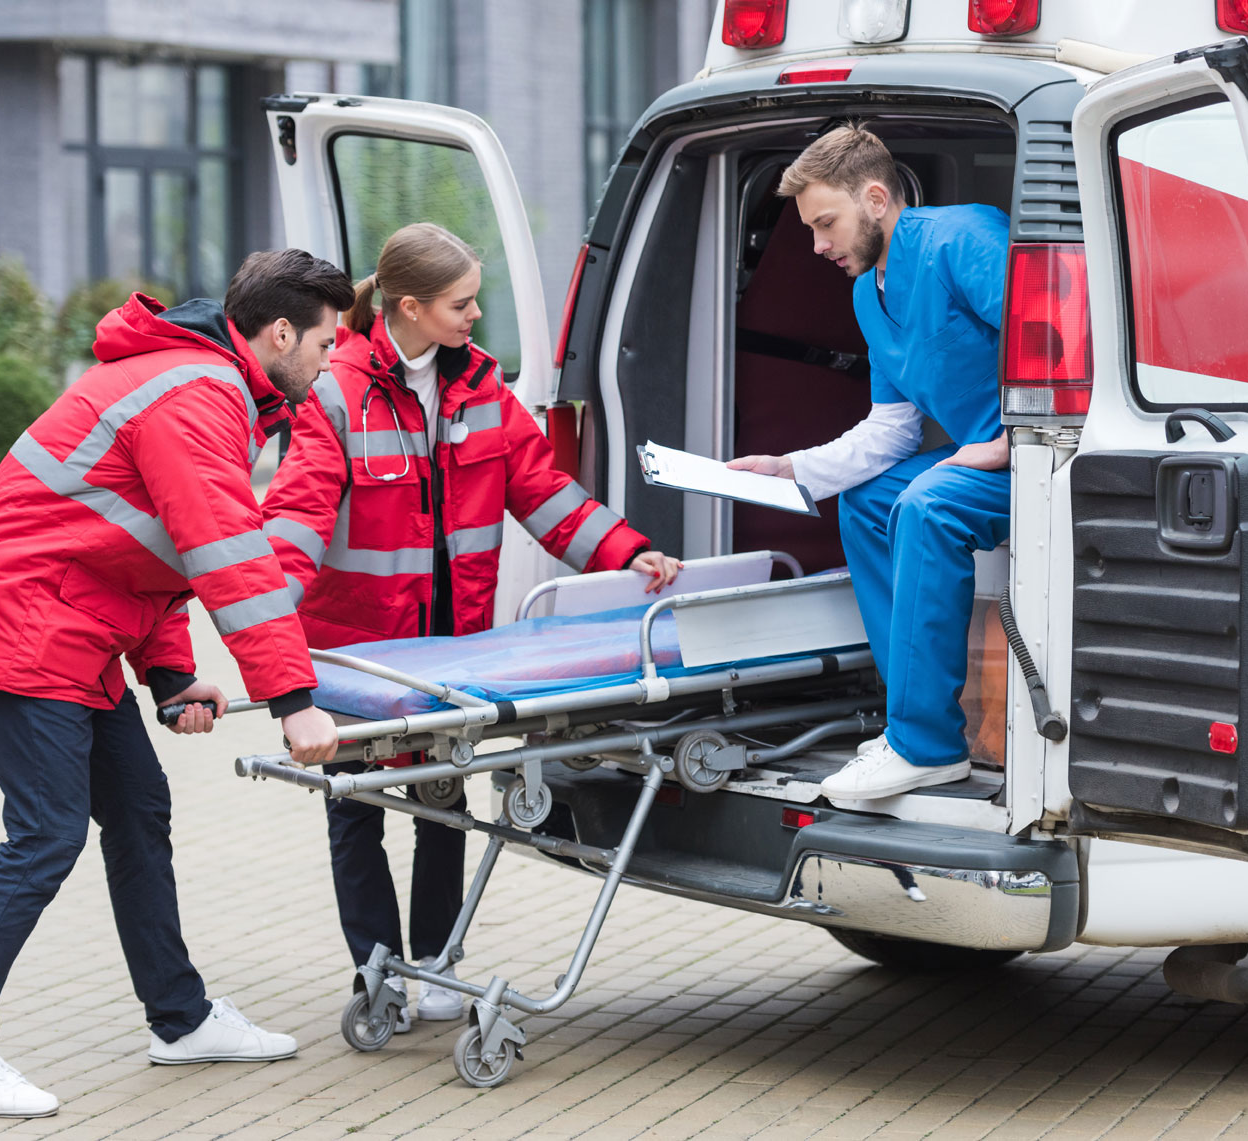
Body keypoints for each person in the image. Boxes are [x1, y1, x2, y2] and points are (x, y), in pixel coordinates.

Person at [0, 249, 352, 1118]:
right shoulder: (198, 393)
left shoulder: (210, 384)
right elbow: (226, 551)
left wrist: (173, 675)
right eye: (327, 342)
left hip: (75, 625)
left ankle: (180, 1020)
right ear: (280, 331)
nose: (331, 360)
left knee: (140, 809)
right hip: (27, 622)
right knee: (45, 835)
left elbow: (153, 548)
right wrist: (295, 700)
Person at [261, 222, 680, 1026]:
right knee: (356, 816)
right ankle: (375, 974)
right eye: (462, 302)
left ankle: (438, 968)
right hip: (363, 663)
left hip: (449, 657)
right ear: (410, 307)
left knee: (444, 811)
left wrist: (629, 552)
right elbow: (297, 519)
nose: (476, 315)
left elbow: (544, 493)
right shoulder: (335, 392)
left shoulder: (480, 390)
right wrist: (265, 622)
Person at [730, 124, 1011, 801]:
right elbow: (891, 428)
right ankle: (911, 720)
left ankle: (928, 747)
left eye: (826, 224)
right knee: (867, 500)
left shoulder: (965, 240)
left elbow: (1070, 340)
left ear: (877, 198)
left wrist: (1014, 438)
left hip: (1047, 456)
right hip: (984, 459)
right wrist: (790, 468)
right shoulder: (866, 295)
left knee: (927, 504)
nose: (818, 245)